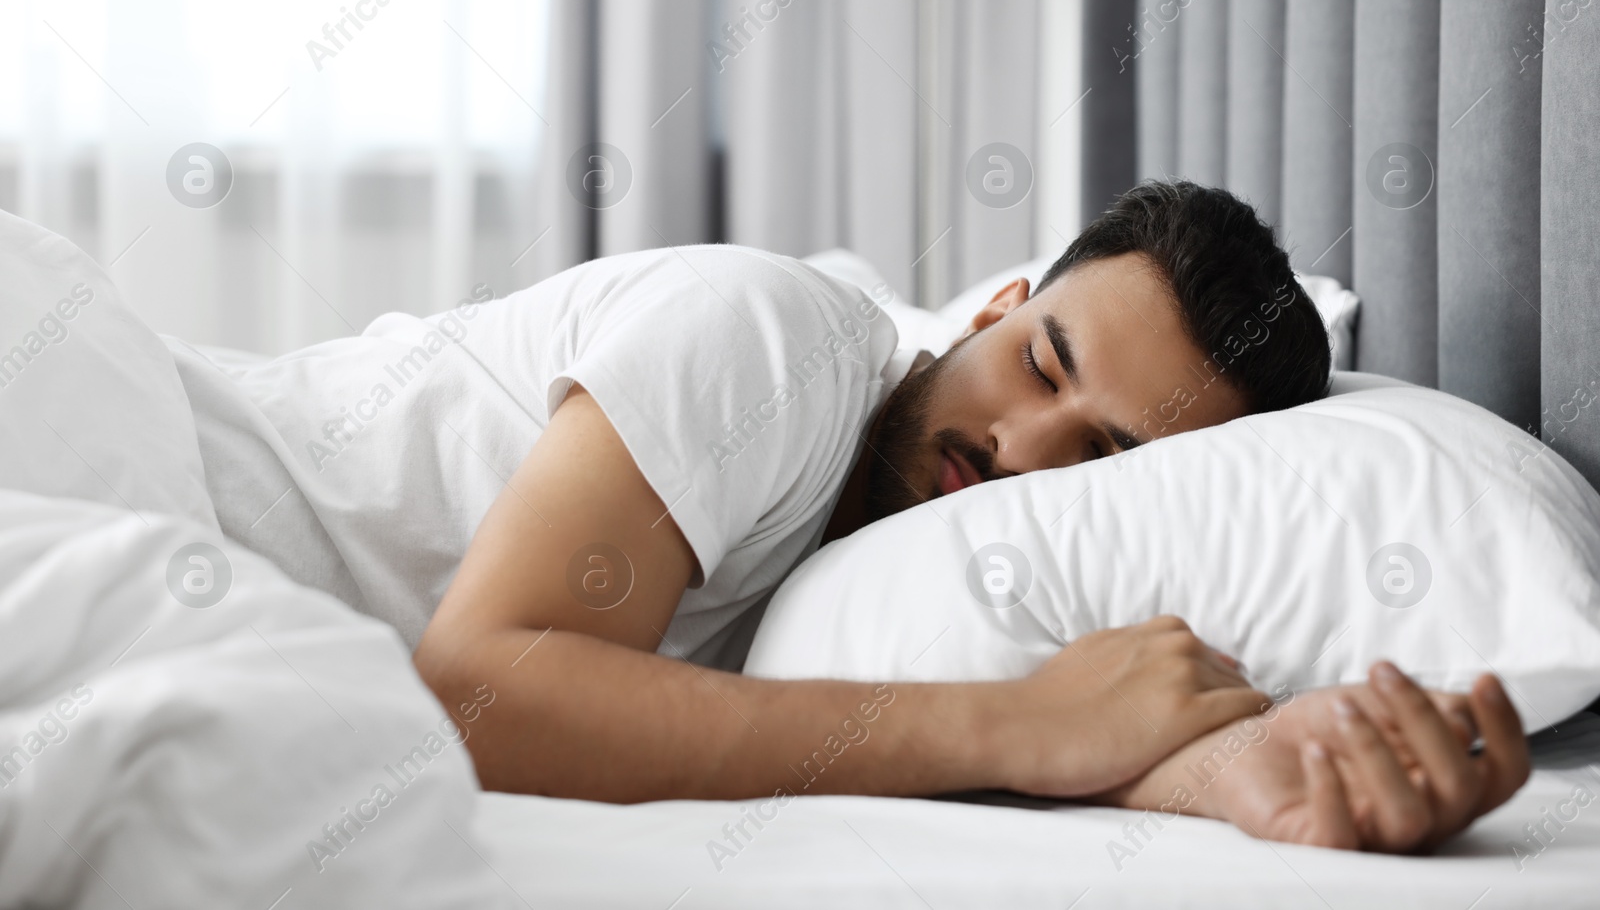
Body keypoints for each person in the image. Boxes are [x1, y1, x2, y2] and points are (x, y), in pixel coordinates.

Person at [179, 179, 1528, 852]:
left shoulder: (930, 577)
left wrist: (1280, 780)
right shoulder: (781, 339)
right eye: (1042, 365)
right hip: (145, 469)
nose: (1017, 451)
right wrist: (1034, 724)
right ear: (996, 306)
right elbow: (485, 689)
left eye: (1103, 459)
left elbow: (1087, 731)